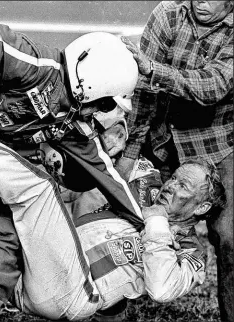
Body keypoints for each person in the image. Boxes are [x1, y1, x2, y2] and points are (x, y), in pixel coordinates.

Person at [0, 20, 141, 321]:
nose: (101, 112)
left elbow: (109, 178)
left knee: (8, 227)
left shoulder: (72, 125)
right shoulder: (42, 67)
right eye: (105, 103)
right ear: (93, 87)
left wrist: (147, 226)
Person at [0, 126, 226, 321]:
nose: (170, 186)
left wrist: (158, 225)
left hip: (74, 291)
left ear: (202, 207)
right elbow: (82, 187)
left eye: (183, 186)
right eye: (174, 177)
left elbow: (161, 289)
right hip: (28, 266)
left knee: (39, 192)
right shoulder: (143, 185)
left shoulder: (191, 253)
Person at [120, 1, 233, 320]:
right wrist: (129, 153)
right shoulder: (168, 13)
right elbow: (142, 90)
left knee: (230, 236)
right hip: (161, 138)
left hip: (216, 141)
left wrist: (154, 70)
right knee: (120, 204)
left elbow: (214, 85)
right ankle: (107, 302)